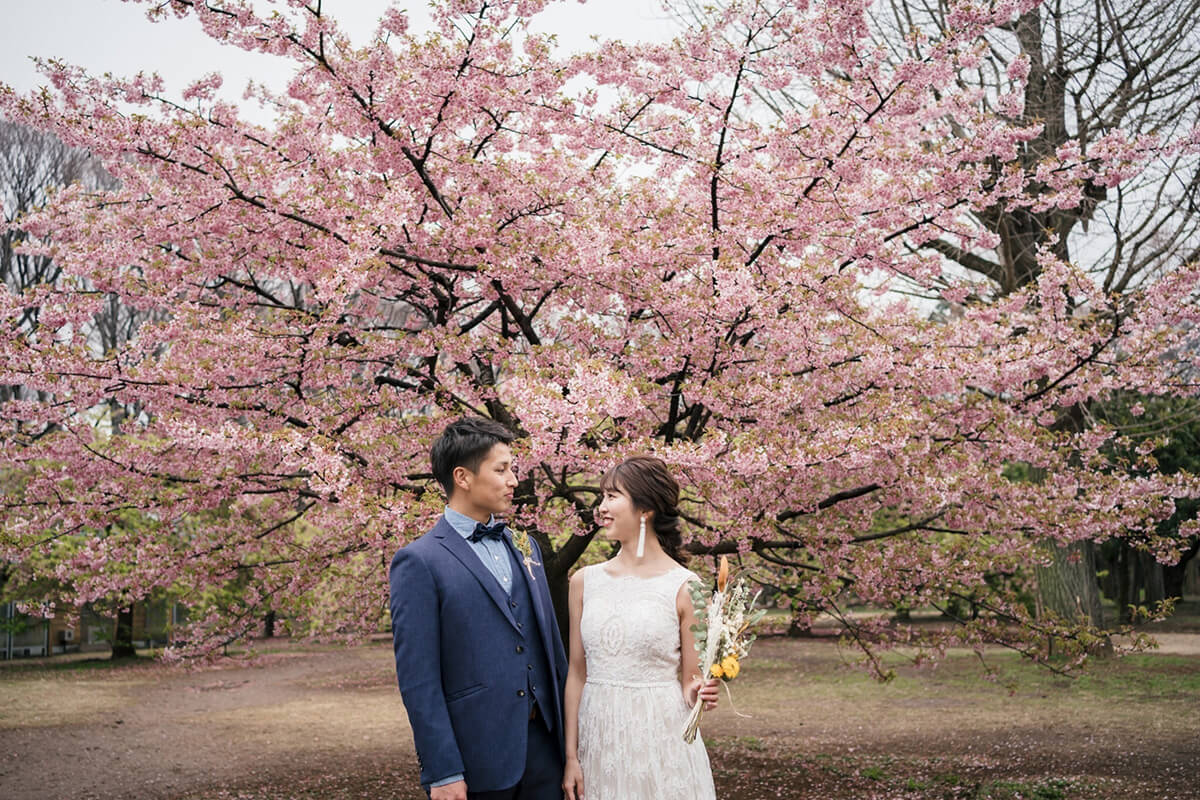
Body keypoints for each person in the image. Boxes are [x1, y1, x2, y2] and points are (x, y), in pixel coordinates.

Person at [388, 416, 567, 800]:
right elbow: (418, 679)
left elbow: (552, 652)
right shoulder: (418, 561)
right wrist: (442, 771)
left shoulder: (526, 547)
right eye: (501, 469)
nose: (513, 480)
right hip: (476, 758)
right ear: (463, 477)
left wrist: (571, 752)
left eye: (513, 469)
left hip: (546, 751)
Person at [561, 455, 720, 800]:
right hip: (598, 741)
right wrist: (571, 757)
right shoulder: (583, 582)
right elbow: (576, 674)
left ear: (645, 509)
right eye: (601, 497)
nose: (601, 507)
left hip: (661, 741)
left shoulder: (685, 586)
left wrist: (699, 694)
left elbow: (690, 680)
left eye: (612, 496)